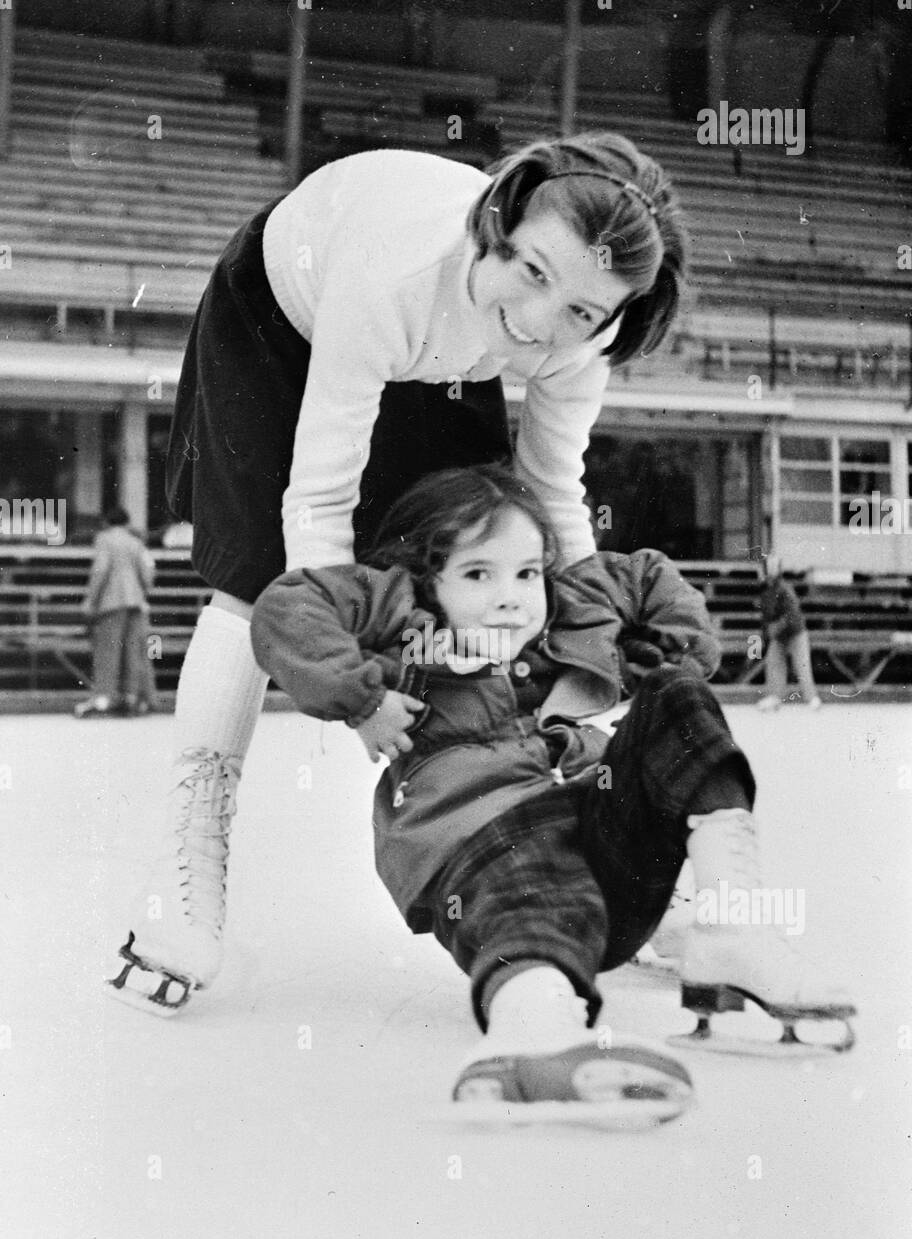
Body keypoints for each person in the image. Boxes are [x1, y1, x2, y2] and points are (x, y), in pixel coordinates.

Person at [105, 131, 689, 1014]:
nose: (540, 323)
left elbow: (553, 496)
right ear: (498, 225)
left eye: (581, 311)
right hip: (283, 317)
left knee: (492, 555)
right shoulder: (392, 275)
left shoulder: (574, 333)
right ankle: (190, 848)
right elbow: (319, 499)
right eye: (534, 272)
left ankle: (577, 831)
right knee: (261, 576)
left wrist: (585, 647)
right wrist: (348, 674)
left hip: (444, 356)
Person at [248, 466, 853, 1124]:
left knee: (677, 696)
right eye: (478, 575)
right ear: (428, 581)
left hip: (599, 857)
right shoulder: (406, 620)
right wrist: (362, 698)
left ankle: (735, 932)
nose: (510, 597)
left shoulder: (561, 611)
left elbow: (649, 574)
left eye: (527, 573)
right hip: (480, 844)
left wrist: (660, 656)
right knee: (531, 868)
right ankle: (532, 1029)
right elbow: (288, 608)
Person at [75, 505, 156, 718]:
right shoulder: (136, 542)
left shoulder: (105, 539)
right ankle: (131, 698)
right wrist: (140, 592)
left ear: (106, 521)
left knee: (107, 651)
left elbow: (100, 570)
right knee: (133, 652)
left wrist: (91, 600)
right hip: (136, 602)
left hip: (111, 602)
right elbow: (147, 573)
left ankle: (104, 698)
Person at [756, 554, 822, 711]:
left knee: (802, 665)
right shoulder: (765, 591)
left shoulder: (785, 588)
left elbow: (792, 614)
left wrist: (777, 626)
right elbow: (766, 617)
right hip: (778, 634)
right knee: (773, 663)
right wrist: (767, 633)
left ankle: (812, 699)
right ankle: (774, 696)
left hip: (795, 632)